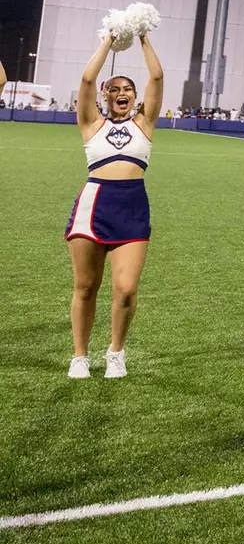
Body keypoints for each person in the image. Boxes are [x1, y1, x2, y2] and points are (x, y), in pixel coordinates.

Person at [64, 30, 164, 379]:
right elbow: (87, 78)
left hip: (133, 206)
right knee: (86, 286)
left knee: (125, 289)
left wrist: (141, 36)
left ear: (136, 98)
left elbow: (157, 76)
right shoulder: (91, 123)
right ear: (104, 97)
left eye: (128, 90)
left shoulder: (144, 123)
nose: (122, 93)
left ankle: (116, 352)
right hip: (94, 204)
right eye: (115, 90)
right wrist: (108, 41)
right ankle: (80, 356)